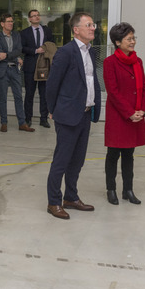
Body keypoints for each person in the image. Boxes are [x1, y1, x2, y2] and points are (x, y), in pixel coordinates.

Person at [45, 12, 101, 219]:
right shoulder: (66, 52)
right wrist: (53, 109)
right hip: (67, 114)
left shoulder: (91, 52)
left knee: (77, 160)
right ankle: (53, 202)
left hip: (85, 113)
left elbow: (90, 81)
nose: (93, 28)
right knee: (61, 160)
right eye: (88, 25)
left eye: (93, 24)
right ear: (76, 30)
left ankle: (70, 196)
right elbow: (52, 85)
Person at [104, 22, 145, 205]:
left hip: (135, 116)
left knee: (129, 155)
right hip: (119, 117)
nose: (133, 42)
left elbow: (144, 88)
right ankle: (111, 189)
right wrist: (129, 113)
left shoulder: (138, 62)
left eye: (133, 38)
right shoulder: (110, 63)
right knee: (113, 155)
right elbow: (112, 92)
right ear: (117, 42)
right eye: (129, 39)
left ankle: (128, 190)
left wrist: (142, 111)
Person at [0, 13, 35, 133]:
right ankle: (4, 122)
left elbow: (19, 50)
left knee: (18, 97)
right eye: (8, 21)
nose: (11, 23)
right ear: (2, 24)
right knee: (3, 97)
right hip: (2, 70)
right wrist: (12, 56)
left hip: (15, 70)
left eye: (12, 21)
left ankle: (22, 123)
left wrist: (7, 55)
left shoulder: (17, 35)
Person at [21, 9, 55, 128]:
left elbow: (52, 45)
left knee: (44, 94)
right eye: (33, 16)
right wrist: (35, 50)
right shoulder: (24, 32)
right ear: (29, 19)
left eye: (37, 15)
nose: (36, 17)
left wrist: (47, 50)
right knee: (29, 94)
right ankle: (28, 118)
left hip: (44, 66)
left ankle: (43, 119)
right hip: (30, 67)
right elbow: (22, 48)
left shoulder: (47, 30)